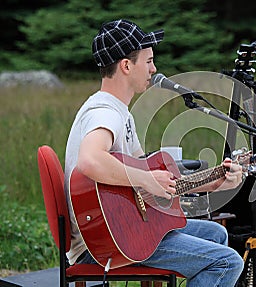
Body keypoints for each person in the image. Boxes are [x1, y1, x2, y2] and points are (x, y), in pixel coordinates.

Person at [64, 19, 244, 286]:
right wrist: (146, 179)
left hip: (123, 228)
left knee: (216, 234)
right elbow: (90, 161)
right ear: (126, 65)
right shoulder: (103, 112)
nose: (154, 68)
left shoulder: (121, 113)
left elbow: (151, 181)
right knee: (227, 262)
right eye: (148, 61)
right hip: (103, 243)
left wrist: (213, 182)